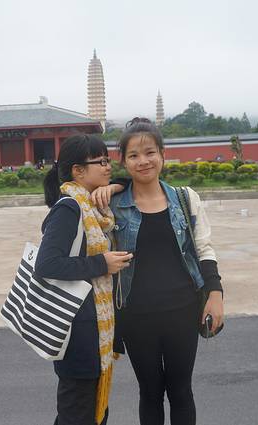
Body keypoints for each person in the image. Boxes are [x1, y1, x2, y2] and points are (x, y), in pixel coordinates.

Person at [92, 117, 224, 425]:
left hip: (183, 311)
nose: (143, 161)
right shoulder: (112, 205)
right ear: (123, 161)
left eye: (150, 152)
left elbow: (203, 249)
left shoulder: (185, 198)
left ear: (163, 154)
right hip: (136, 317)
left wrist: (215, 293)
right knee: (150, 392)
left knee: (181, 391)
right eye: (134, 155)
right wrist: (112, 187)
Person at [35, 134, 133, 425]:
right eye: (100, 162)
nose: (108, 167)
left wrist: (115, 186)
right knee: (77, 414)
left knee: (91, 412)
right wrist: (101, 263)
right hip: (78, 334)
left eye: (108, 160)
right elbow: (47, 264)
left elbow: (131, 183)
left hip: (93, 330)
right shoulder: (69, 209)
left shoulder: (94, 207)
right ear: (78, 171)